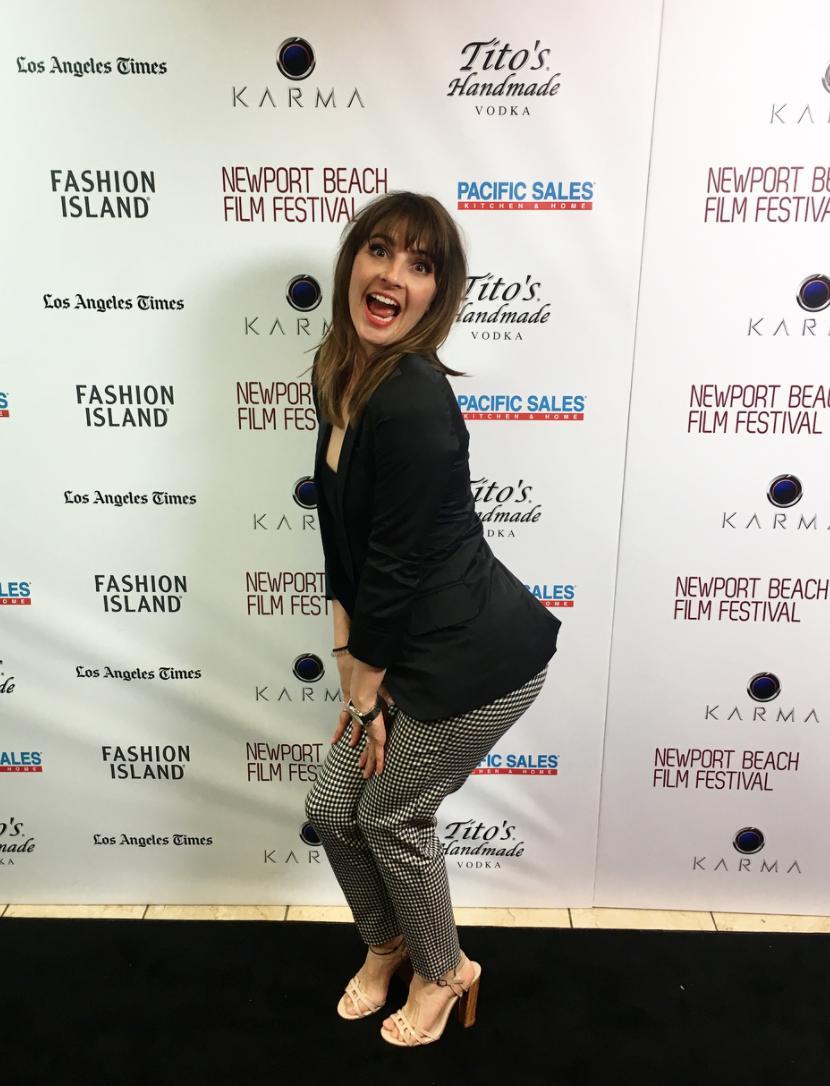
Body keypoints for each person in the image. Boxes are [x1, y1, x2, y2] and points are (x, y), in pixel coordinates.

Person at [303, 191, 561, 1047]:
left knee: (388, 814)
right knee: (332, 806)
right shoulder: (339, 374)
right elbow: (342, 538)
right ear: (353, 262)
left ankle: (447, 972)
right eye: (380, 251)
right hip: (401, 649)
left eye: (420, 266)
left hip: (478, 657)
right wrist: (349, 664)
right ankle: (389, 944)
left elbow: (399, 564)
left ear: (436, 296)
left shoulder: (413, 397)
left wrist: (367, 690)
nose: (393, 276)